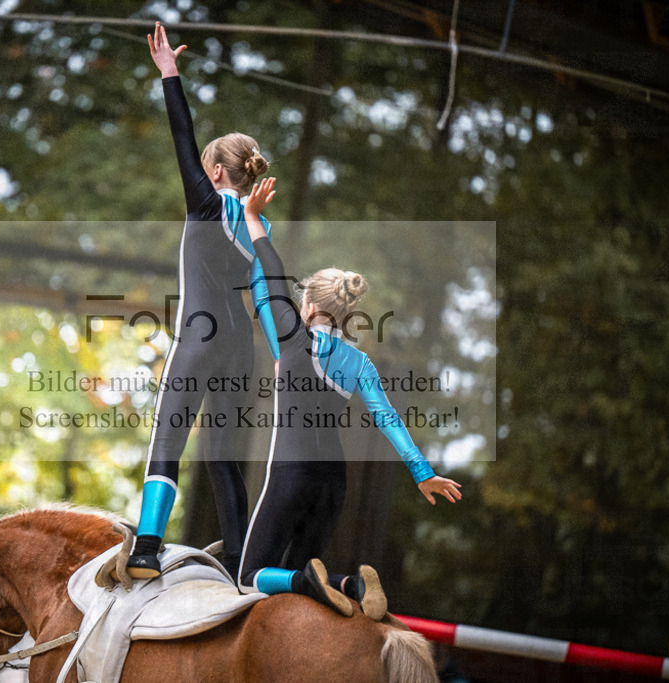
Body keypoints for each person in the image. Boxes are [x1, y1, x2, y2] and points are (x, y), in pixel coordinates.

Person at [236, 177, 463, 618]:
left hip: (291, 474)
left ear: (307, 306)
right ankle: (351, 583)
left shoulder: (291, 336)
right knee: (305, 586)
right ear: (346, 314)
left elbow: (267, 277)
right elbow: (388, 418)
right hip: (333, 483)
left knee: (249, 577)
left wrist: (252, 219)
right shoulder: (360, 362)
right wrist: (423, 473)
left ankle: (310, 579)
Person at [126, 21, 279, 581]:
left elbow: (181, 133)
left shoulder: (206, 202)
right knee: (222, 457)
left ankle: (147, 547)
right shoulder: (260, 228)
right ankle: (241, 563)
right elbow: (268, 293)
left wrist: (170, 73)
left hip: (199, 336)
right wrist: (283, 351)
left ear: (215, 173)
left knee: (167, 438)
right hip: (241, 347)